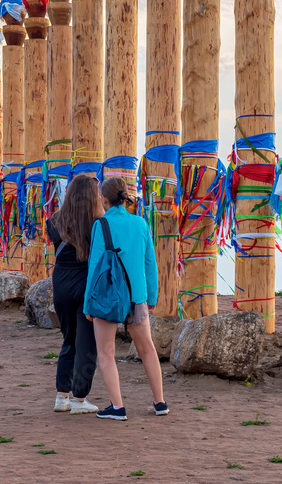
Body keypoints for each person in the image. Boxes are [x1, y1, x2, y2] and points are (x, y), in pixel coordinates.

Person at [85, 176, 168, 420]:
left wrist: (89, 302)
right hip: (137, 296)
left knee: (107, 353)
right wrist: (151, 297)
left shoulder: (101, 226)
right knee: (147, 349)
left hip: (108, 297)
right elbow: (150, 264)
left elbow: (95, 267)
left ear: (104, 199)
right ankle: (160, 402)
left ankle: (118, 407)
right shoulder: (141, 223)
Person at [46, 174, 103, 415]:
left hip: (61, 284)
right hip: (85, 283)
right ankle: (80, 399)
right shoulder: (97, 222)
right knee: (87, 344)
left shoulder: (55, 221)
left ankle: (62, 396)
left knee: (69, 340)